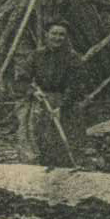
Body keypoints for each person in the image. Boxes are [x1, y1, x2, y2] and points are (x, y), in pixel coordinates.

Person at [16, 21, 87, 167]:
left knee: (65, 135)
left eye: (62, 34)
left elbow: (75, 85)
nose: (57, 38)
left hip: (65, 100)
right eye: (54, 33)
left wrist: (62, 107)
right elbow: (22, 79)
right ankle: (36, 165)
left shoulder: (73, 58)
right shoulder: (36, 55)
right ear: (46, 34)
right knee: (33, 131)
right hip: (41, 99)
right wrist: (33, 91)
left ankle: (67, 166)